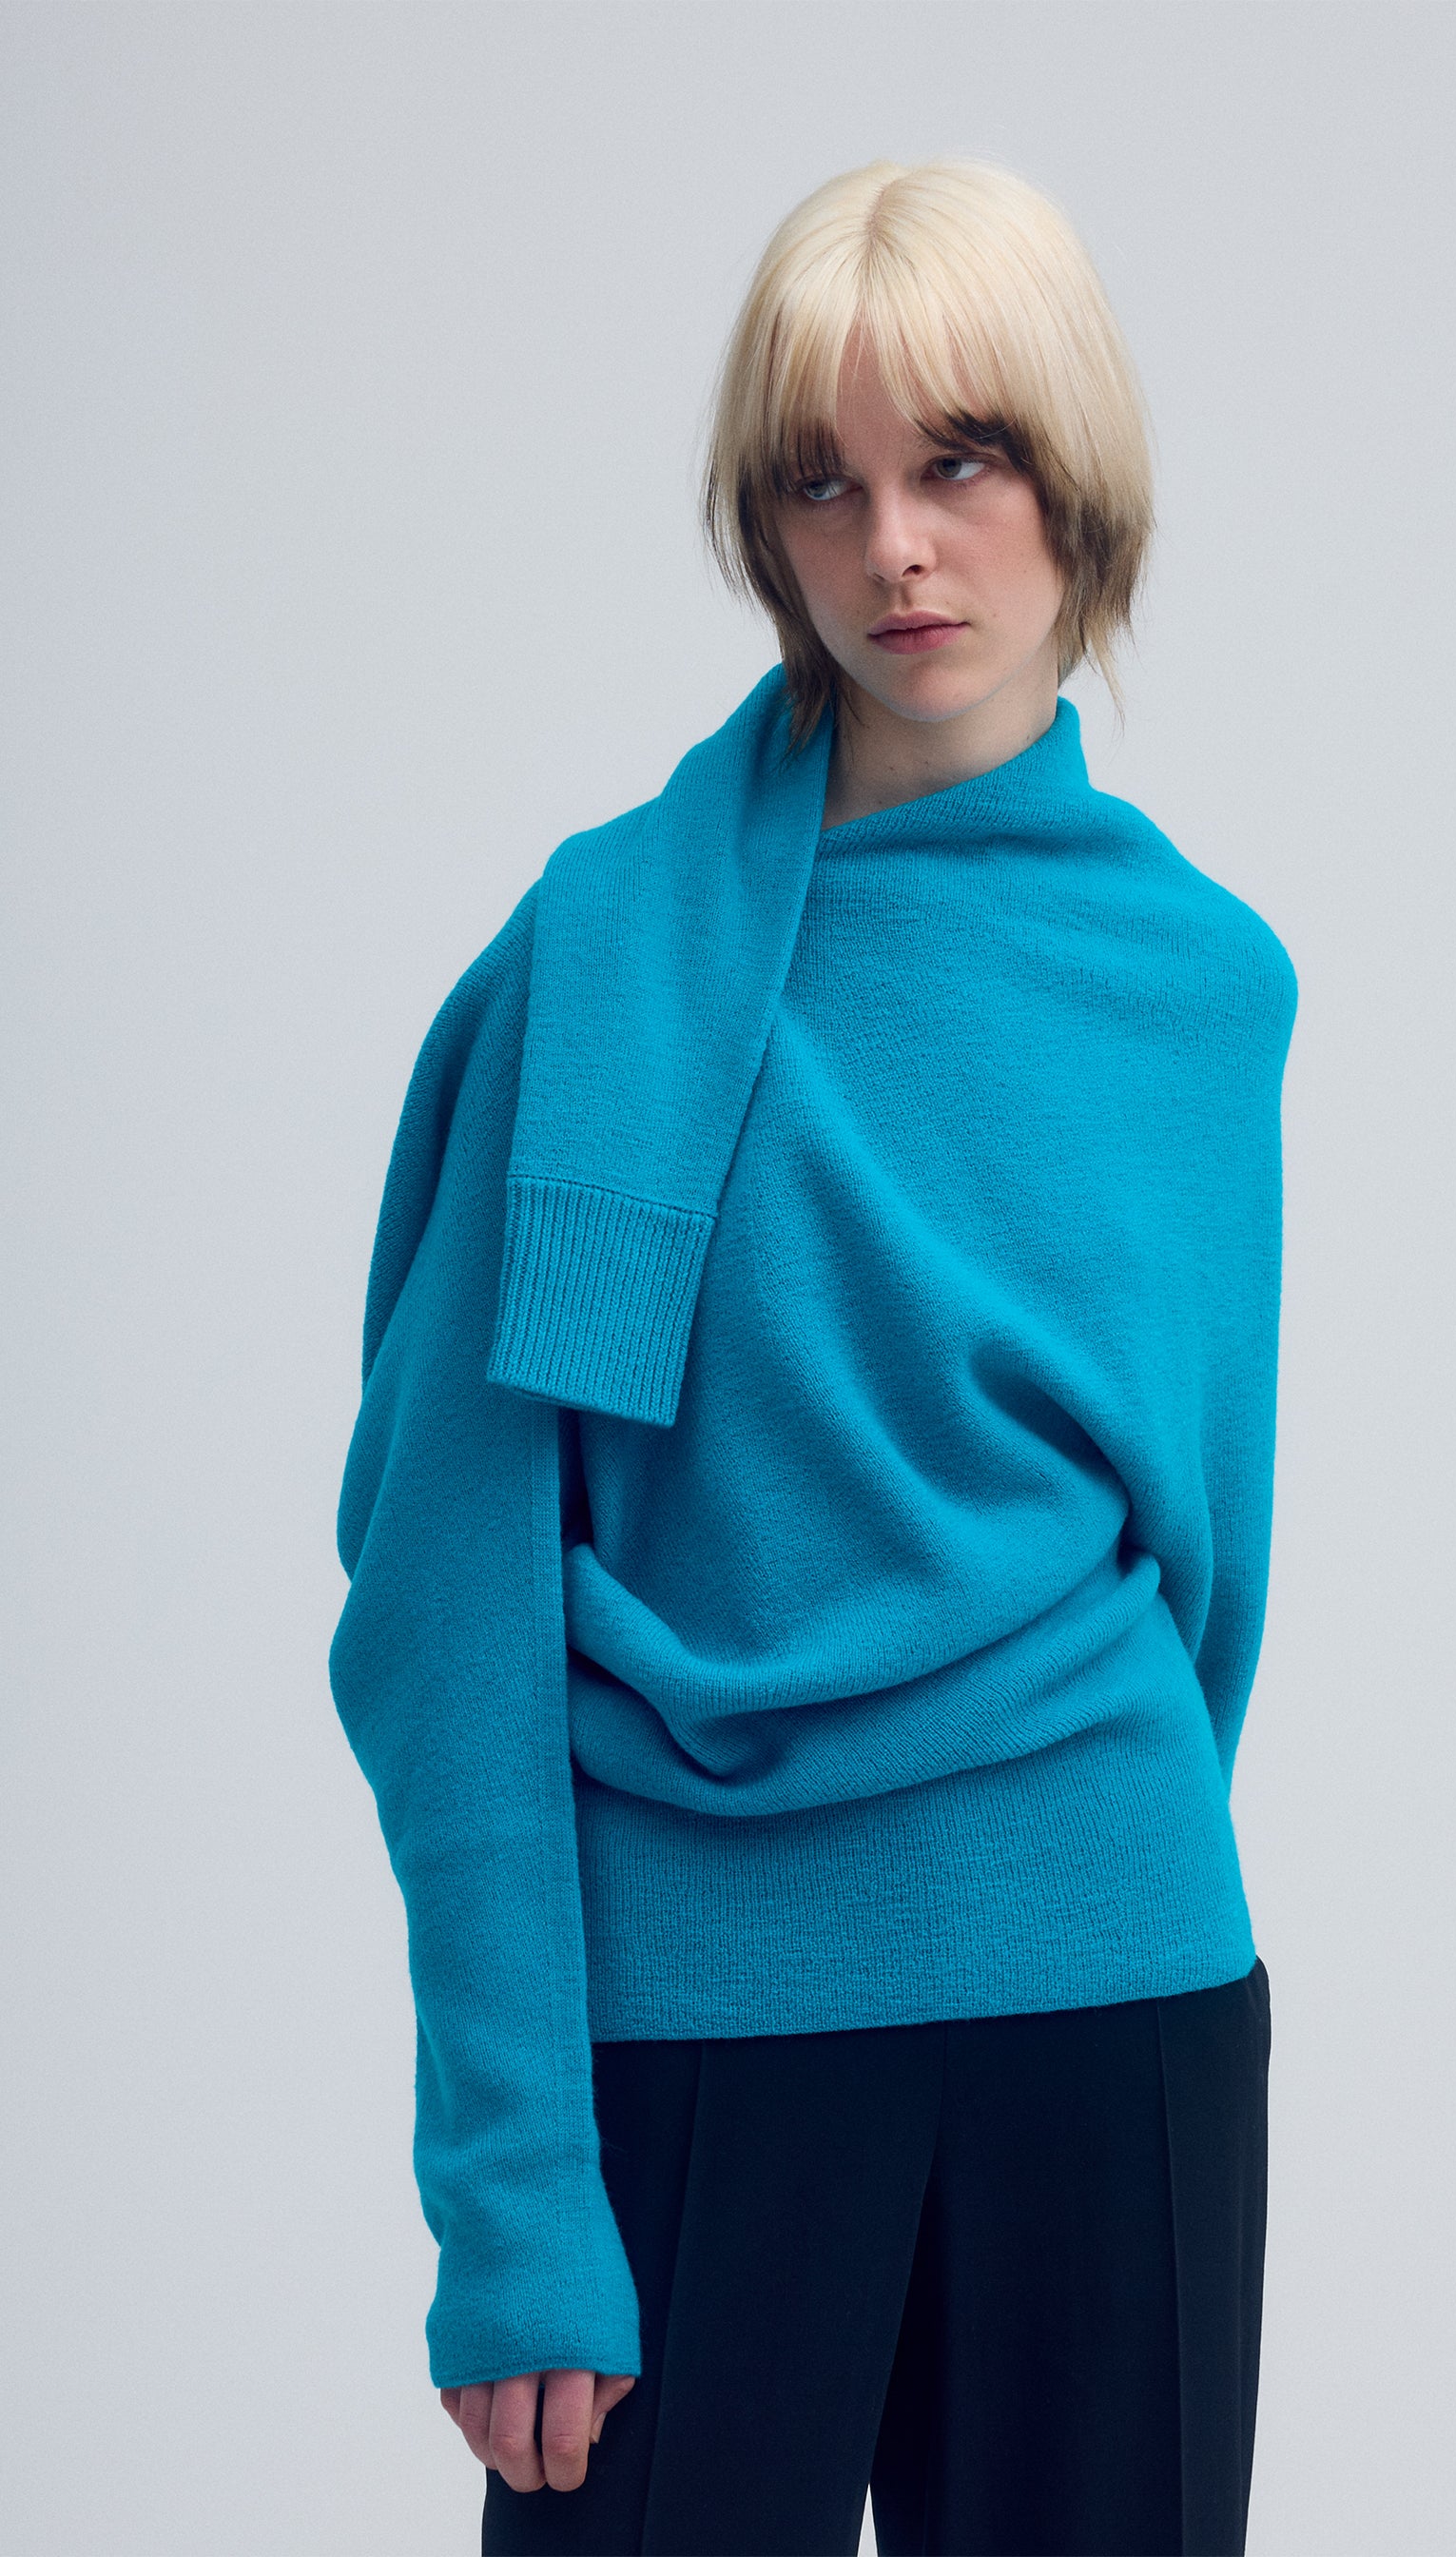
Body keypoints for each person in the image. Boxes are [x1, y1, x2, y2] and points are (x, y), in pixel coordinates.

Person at [330, 155, 1296, 2557]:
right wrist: (511, 2189)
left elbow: (1209, 1566)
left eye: (961, 461)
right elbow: (445, 1605)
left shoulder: (1204, 987)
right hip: (690, 2036)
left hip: (1113, 1999)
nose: (898, 550)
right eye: (823, 485)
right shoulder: (599, 961)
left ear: (1080, 486)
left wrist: (1065, 1859)